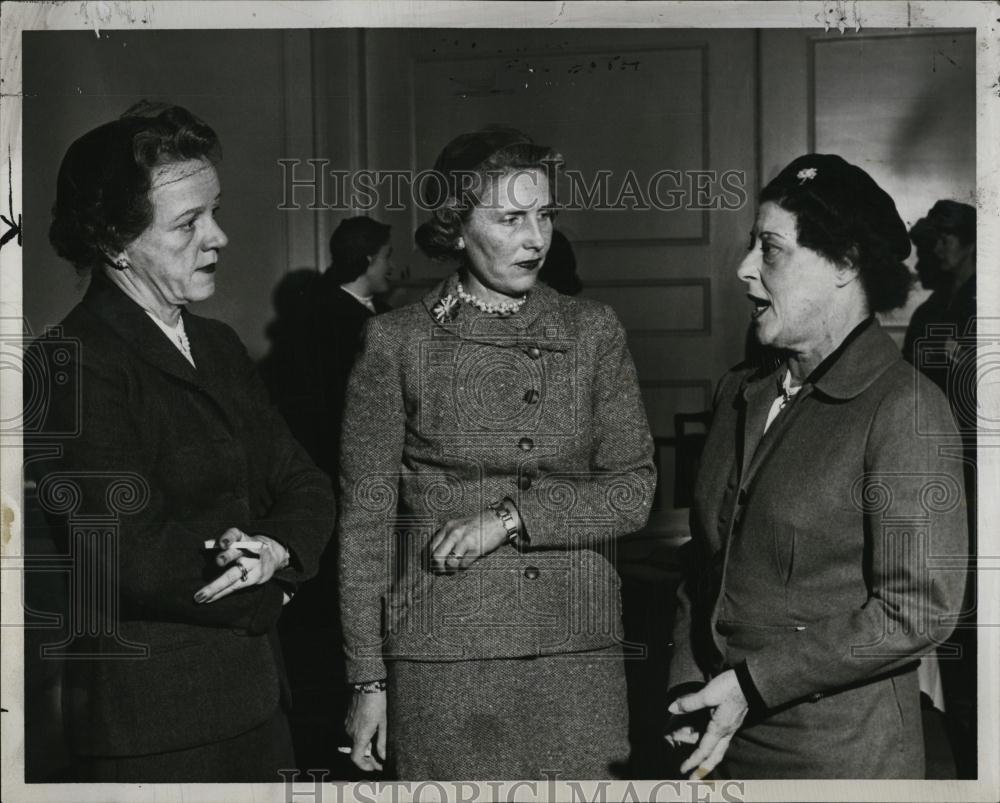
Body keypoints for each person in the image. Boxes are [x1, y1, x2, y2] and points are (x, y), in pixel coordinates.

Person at [337, 126, 657, 779]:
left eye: (543, 214)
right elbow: (366, 523)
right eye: (510, 217)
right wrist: (367, 679)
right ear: (455, 226)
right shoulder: (396, 341)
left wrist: (512, 518)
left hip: (574, 649)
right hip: (446, 654)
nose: (535, 238)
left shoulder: (592, 330)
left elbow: (633, 490)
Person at [30, 102, 335, 782]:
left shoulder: (219, 346)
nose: (220, 237)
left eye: (215, 211)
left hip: (260, 707)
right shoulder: (69, 363)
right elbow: (124, 551)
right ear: (115, 242)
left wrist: (277, 551)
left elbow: (305, 482)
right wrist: (272, 589)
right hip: (156, 730)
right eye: (189, 222)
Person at [664, 154, 967, 779]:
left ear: (845, 264)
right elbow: (705, 562)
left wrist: (752, 684)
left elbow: (917, 612)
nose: (743, 269)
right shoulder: (738, 392)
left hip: (841, 758)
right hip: (719, 742)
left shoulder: (906, 408)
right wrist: (685, 685)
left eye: (770, 251)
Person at [904, 200, 978, 778]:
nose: (937, 249)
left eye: (948, 238)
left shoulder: (990, 306)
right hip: (938, 474)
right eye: (932, 240)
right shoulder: (929, 315)